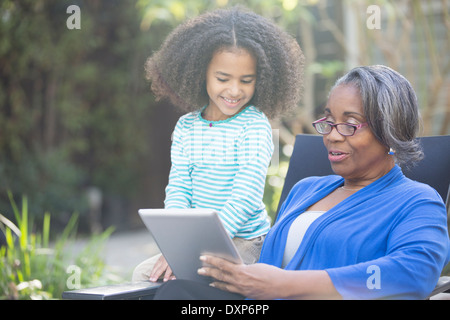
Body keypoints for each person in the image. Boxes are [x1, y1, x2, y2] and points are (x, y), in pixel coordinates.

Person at [153, 65, 450, 300]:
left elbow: (414, 273)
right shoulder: (306, 189)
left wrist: (286, 285)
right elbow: (268, 269)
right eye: (329, 121)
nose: (333, 134)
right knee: (178, 293)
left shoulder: (417, 201)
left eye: (349, 124)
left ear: (390, 132)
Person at [132, 6, 304, 282]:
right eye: (223, 79)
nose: (234, 90)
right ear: (201, 73)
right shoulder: (187, 127)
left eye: (246, 81)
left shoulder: (254, 126)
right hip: (197, 243)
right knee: (143, 276)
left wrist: (196, 250)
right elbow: (178, 189)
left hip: (248, 243)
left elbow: (245, 197)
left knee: (195, 280)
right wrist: (176, 245)